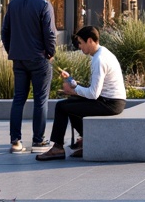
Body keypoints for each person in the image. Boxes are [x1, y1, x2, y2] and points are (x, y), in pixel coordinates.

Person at [36, 26, 126, 162]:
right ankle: (87, 141)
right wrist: (72, 82)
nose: (79, 46)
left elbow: (93, 94)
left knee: (62, 106)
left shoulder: (99, 59)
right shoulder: (102, 54)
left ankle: (58, 148)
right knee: (71, 103)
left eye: (80, 43)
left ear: (89, 40)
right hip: (110, 100)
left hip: (110, 104)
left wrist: (73, 89)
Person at [2, 0, 57, 153]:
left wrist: (13, 51)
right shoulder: (44, 5)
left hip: (19, 59)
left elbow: (5, 32)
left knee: (19, 99)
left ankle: (15, 142)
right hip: (39, 58)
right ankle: (38, 141)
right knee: (41, 100)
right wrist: (51, 52)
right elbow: (50, 34)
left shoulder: (14, 4)